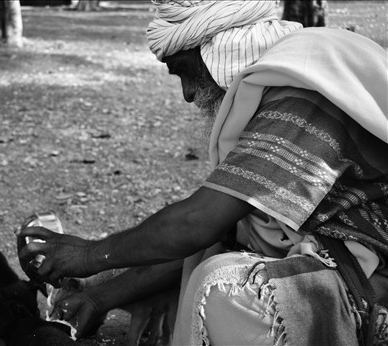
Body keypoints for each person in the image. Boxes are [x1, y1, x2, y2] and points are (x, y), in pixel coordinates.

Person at [19, 1, 388, 345]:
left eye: (184, 71)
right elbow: (216, 232)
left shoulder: (303, 95)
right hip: (339, 262)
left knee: (225, 287)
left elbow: (198, 223)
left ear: (218, 49)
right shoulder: (287, 80)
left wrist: (89, 255)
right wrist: (100, 298)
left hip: (371, 286)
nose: (188, 94)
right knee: (206, 248)